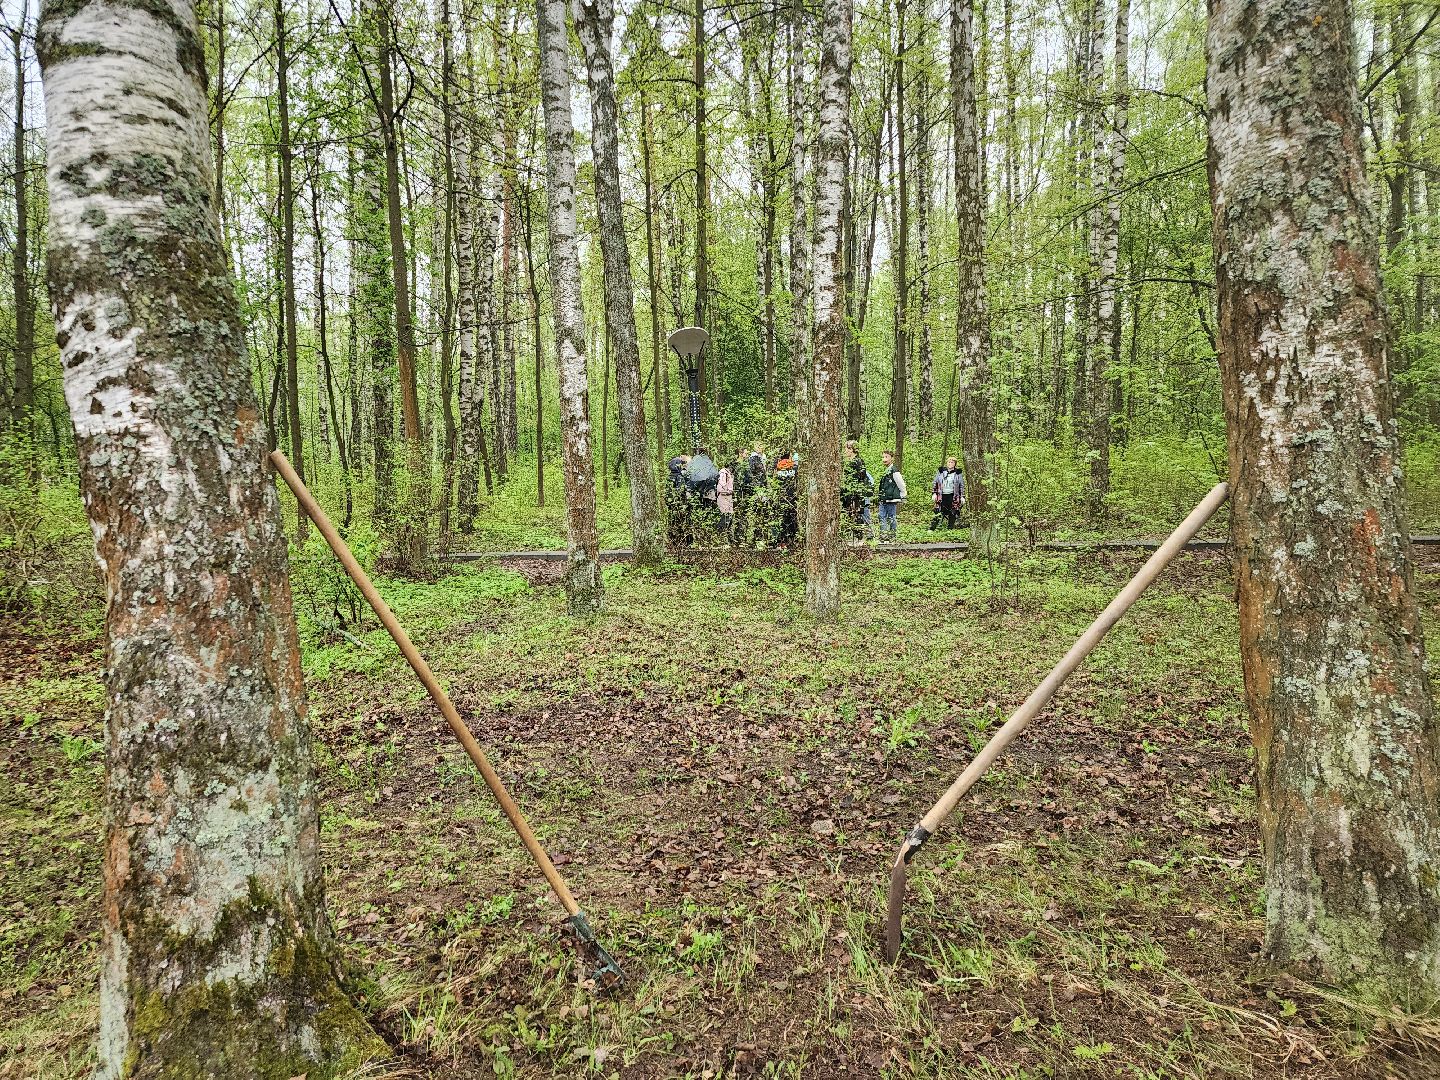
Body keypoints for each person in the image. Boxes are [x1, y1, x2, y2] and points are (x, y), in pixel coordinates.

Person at [842, 440, 875, 541]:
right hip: (855, 493)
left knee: (862, 512)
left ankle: (867, 535)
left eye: (846, 449)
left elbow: (858, 479)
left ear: (851, 450)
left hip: (858, 493)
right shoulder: (855, 462)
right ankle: (862, 535)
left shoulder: (856, 462)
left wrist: (853, 492)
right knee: (858, 513)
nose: (845, 451)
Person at [876, 450, 906, 542]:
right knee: (881, 516)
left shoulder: (894, 470)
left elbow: (901, 483)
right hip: (884, 498)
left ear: (891, 458)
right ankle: (883, 536)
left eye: (886, 457)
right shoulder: (886, 470)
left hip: (891, 499)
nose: (884, 459)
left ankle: (892, 536)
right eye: (883, 457)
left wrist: (903, 495)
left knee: (891, 517)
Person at [931, 457, 965, 530]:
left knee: (953, 511)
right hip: (941, 495)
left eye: (952, 462)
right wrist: (934, 493)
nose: (950, 464)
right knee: (938, 510)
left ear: (955, 464)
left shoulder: (958, 473)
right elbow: (935, 482)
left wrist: (962, 496)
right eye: (949, 462)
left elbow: (961, 486)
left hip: (953, 495)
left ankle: (950, 528)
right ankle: (932, 528)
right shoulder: (941, 472)